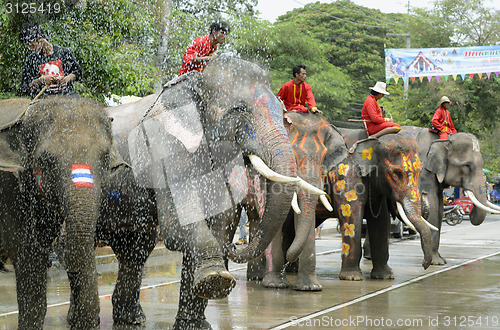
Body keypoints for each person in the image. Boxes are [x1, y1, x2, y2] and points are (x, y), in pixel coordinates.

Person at [19, 22, 82, 99]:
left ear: (40, 39)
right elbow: (25, 87)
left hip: (66, 98)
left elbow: (77, 73)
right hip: (42, 102)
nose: (31, 49)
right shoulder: (31, 60)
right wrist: (40, 80)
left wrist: (67, 79)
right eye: (28, 47)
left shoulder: (64, 52)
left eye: (32, 45)